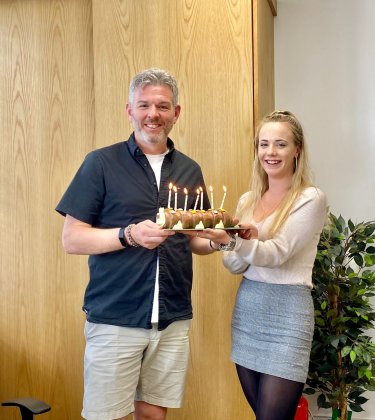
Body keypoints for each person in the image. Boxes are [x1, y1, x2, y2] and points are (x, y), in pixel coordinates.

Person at [55, 68, 233, 420]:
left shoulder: (189, 171)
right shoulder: (101, 163)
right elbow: (72, 239)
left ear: (176, 113)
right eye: (145, 105)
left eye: (163, 106)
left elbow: (194, 242)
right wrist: (129, 235)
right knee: (107, 415)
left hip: (172, 319)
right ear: (130, 110)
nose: (154, 114)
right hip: (115, 317)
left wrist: (216, 242)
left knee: (153, 413)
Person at [219, 110, 327, 419]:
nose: (270, 152)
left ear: (297, 150)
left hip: (288, 314)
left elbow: (277, 253)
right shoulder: (246, 201)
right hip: (249, 310)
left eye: (280, 144)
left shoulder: (310, 198)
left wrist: (235, 241)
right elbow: (234, 265)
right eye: (263, 144)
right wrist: (227, 241)